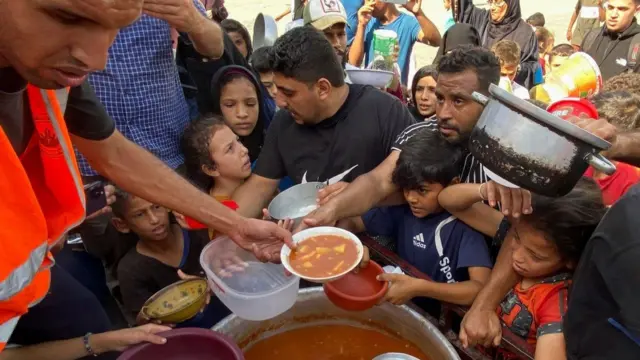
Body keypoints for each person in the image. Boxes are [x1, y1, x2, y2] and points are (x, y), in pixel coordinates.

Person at [0, 0, 292, 357]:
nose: (96, 61)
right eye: (69, 17)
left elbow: (114, 153)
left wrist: (234, 224)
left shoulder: (54, 73)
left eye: (112, 33)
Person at [302, 46, 534, 246]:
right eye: (441, 98)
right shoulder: (421, 131)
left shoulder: (516, 152)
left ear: (489, 101)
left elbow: (525, 236)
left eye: (459, 101)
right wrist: (328, 212)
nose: (443, 113)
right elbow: (379, 181)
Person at [231, 26, 416, 219]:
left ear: (323, 88)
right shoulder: (283, 123)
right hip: (310, 240)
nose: (280, 102)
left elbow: (419, 187)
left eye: (289, 93)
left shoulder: (385, 111)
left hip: (376, 241)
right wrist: (228, 228)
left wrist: (358, 198)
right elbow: (259, 186)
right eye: (277, 90)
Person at [439, 178, 606, 359]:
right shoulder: (528, 230)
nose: (517, 256)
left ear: (571, 260)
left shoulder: (554, 301)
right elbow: (447, 200)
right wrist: (487, 190)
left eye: (535, 256)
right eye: (515, 238)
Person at [338, 130, 492, 307]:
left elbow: (478, 288)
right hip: (404, 307)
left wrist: (420, 287)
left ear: (453, 185)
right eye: (406, 188)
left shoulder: (466, 227)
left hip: (444, 319)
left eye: (422, 190)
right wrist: (353, 246)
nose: (411, 197)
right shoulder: (403, 209)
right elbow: (352, 222)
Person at [113, 190, 230, 326]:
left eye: (157, 207)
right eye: (139, 215)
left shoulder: (197, 230)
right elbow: (144, 323)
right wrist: (148, 320)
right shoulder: (131, 270)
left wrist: (211, 285)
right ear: (121, 224)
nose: (154, 219)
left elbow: (236, 271)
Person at [181, 115, 252, 238]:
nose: (244, 149)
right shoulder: (215, 212)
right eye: (230, 149)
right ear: (211, 169)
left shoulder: (254, 180)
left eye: (238, 141)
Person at [349, 0, 441, 85]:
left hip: (396, 94)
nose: (367, 4)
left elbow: (436, 41)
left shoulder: (407, 23)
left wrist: (418, 13)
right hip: (371, 92)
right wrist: (361, 25)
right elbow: (353, 63)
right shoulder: (368, 23)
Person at [454, 0, 540, 89]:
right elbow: (464, 11)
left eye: (498, 2)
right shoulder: (483, 19)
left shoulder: (526, 33)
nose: (493, 7)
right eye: (491, 2)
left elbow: (535, 68)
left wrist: (515, 69)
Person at [210, 66, 268, 162]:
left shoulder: (275, 146)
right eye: (230, 105)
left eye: (250, 104)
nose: (242, 114)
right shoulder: (209, 156)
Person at [581, 0, 640, 81]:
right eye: (610, 7)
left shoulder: (637, 44)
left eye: (622, 9)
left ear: (636, 10)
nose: (613, 15)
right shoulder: (592, 36)